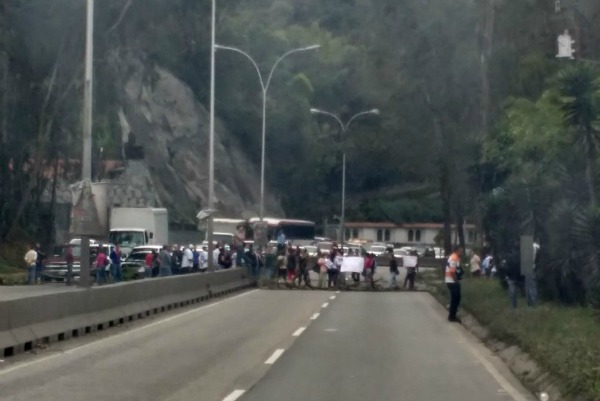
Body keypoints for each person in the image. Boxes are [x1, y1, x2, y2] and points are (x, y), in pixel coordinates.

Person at [445, 246, 464, 322]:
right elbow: (452, 272)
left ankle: (453, 315)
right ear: (457, 251)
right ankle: (452, 316)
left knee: (456, 298)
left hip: (451, 281)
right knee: (455, 299)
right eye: (461, 251)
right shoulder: (454, 258)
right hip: (452, 281)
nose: (462, 253)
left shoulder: (455, 258)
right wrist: (456, 280)